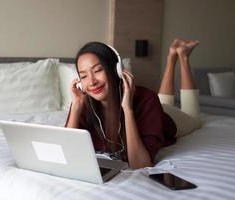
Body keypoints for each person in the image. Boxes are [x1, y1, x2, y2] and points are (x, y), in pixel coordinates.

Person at [65, 39, 201, 169]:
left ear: (116, 70)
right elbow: (65, 153)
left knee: (195, 119)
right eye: (83, 76)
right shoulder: (83, 102)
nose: (92, 82)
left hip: (169, 118)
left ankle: (182, 57)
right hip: (155, 109)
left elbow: (141, 164)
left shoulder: (147, 99)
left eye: (97, 70)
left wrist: (128, 109)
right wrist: (76, 108)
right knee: (164, 100)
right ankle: (171, 57)